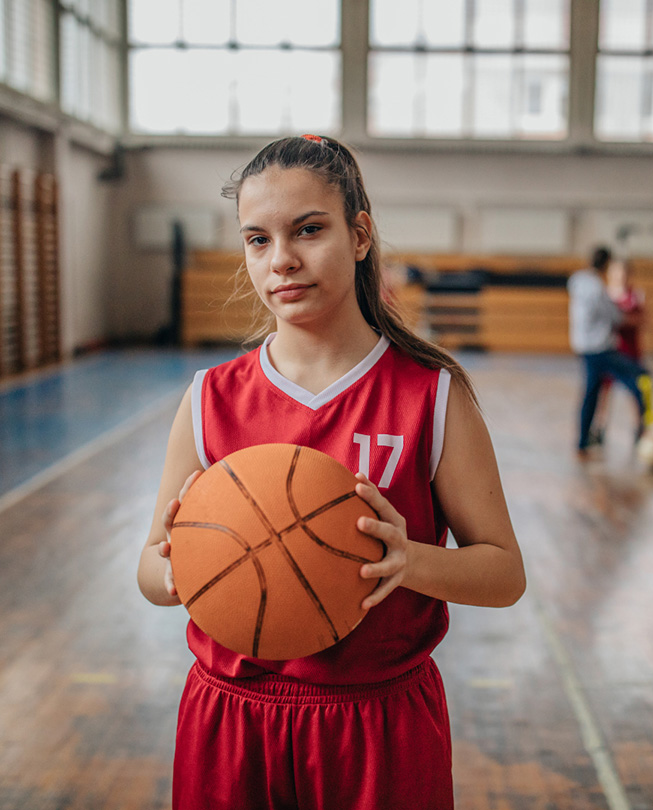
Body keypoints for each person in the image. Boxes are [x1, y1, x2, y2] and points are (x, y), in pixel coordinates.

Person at [137, 134, 526, 810]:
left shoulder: (430, 396)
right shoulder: (209, 398)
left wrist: (410, 560)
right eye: (257, 240)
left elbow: (503, 573)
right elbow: (149, 570)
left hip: (376, 723)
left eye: (308, 230)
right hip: (231, 718)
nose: (281, 260)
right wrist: (181, 569)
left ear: (360, 234)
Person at [567, 246, 653, 457]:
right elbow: (615, 317)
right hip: (601, 349)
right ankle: (645, 430)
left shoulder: (578, 282)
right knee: (641, 379)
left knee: (592, 393)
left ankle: (583, 440)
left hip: (584, 348)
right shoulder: (597, 288)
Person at [590, 258, 646, 445]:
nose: (620, 276)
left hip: (630, 349)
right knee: (605, 389)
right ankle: (600, 426)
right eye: (616, 272)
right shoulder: (604, 294)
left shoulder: (635, 294)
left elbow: (642, 319)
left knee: (634, 388)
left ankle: (638, 425)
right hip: (609, 348)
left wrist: (622, 320)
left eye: (623, 273)